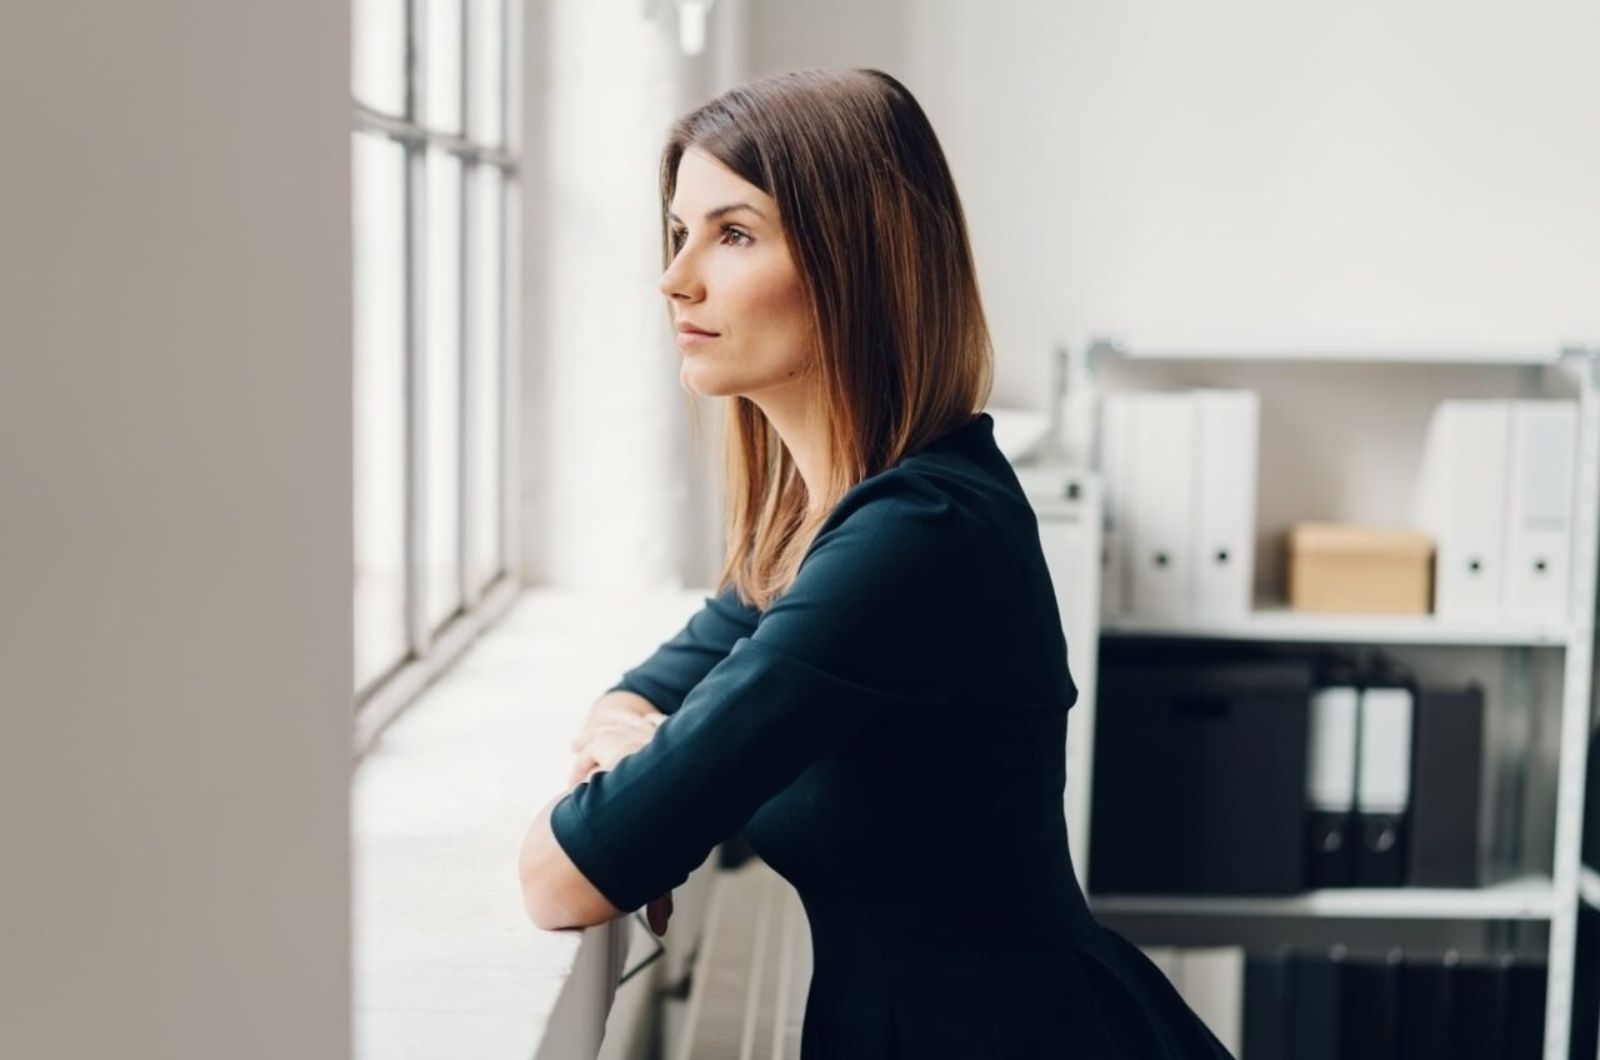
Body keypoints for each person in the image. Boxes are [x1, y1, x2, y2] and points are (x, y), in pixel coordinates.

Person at [519, 67, 1235, 1059]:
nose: (675, 277)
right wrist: (641, 747)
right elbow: (644, 689)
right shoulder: (819, 523)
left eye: (732, 234)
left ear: (858, 261)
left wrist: (650, 772)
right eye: (678, 233)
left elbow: (560, 875)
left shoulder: (914, 538)